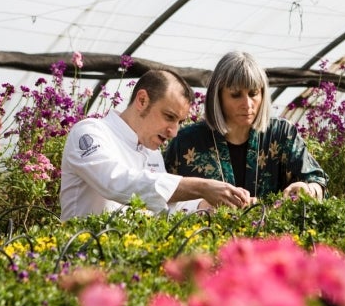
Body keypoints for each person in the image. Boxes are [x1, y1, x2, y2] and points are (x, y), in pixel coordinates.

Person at [60, 69, 251, 221]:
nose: (174, 132)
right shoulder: (90, 132)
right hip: (82, 260)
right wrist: (201, 186)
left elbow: (163, 208)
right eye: (169, 117)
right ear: (142, 100)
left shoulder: (152, 153)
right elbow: (115, 182)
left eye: (179, 122)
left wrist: (208, 204)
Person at [163, 51, 327, 202]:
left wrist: (308, 189)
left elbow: (317, 180)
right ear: (217, 96)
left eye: (253, 93)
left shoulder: (281, 134)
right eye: (235, 95)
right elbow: (161, 194)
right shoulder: (186, 142)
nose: (247, 104)